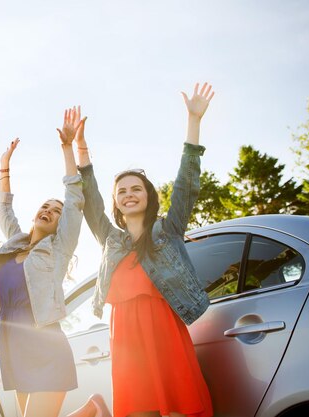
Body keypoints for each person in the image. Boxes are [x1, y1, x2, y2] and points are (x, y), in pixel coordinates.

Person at [69, 83, 215, 417]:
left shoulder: (168, 229)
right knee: (138, 410)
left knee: (177, 407)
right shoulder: (111, 239)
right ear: (116, 201)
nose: (129, 194)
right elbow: (91, 201)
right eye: (122, 191)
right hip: (125, 337)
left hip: (163, 329)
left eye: (137, 188)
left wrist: (193, 122)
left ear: (148, 196)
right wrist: (81, 149)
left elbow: (186, 184)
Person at [0, 107, 85, 417]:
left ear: (61, 223)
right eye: (45, 206)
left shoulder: (58, 249)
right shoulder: (14, 242)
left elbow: (74, 199)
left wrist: (67, 148)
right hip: (12, 346)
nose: (49, 210)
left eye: (56, 211)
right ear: (35, 214)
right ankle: (91, 410)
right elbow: (4, 211)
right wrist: (4, 167)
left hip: (46, 346)